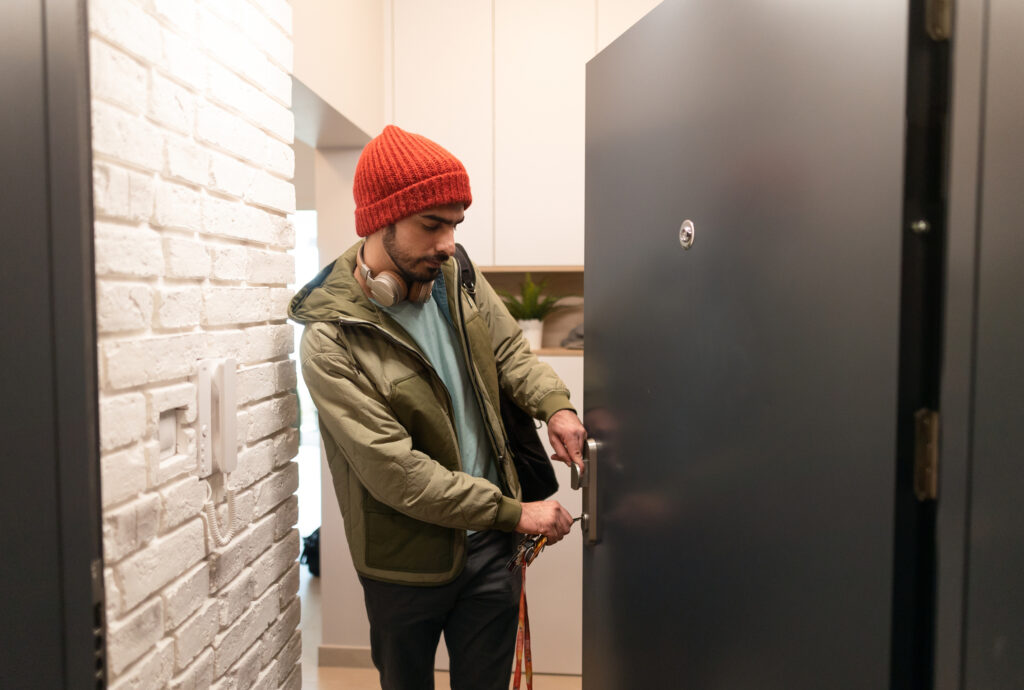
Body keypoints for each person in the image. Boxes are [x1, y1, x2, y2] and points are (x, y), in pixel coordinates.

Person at [288, 124, 587, 690]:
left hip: (492, 550)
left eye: (454, 224)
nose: (448, 242)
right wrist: (515, 513)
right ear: (380, 219)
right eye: (432, 224)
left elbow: (508, 352)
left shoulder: (456, 277)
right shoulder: (330, 340)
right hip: (406, 565)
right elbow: (395, 472)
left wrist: (556, 407)